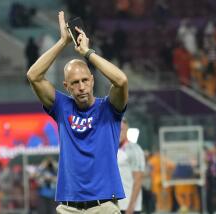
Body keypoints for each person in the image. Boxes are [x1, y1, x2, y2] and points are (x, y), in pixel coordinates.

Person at [26, 11, 128, 214]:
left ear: (92, 80)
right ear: (67, 86)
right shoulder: (62, 108)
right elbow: (33, 76)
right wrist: (63, 42)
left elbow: (121, 80)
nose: (81, 87)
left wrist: (88, 53)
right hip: (69, 208)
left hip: (104, 206)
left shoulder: (110, 108)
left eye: (84, 80)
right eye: (75, 83)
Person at [118, 118, 145, 214]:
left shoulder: (134, 149)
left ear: (126, 130)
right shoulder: (110, 149)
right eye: (116, 129)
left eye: (122, 129)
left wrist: (131, 207)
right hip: (114, 206)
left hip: (128, 207)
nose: (119, 132)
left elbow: (138, 180)